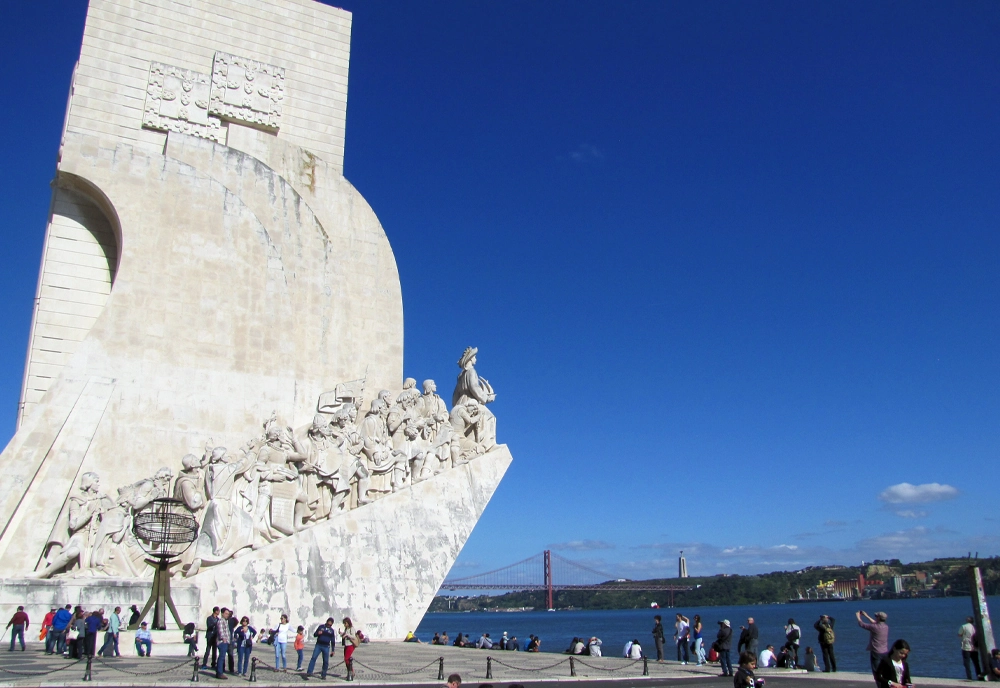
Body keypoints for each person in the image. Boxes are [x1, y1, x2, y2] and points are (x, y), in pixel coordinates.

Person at [858, 610, 890, 676]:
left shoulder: (874, 627)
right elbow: (875, 623)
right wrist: (866, 616)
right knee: (883, 670)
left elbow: (861, 624)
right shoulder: (886, 627)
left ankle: (879, 682)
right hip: (885, 651)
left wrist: (858, 616)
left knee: (876, 671)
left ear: (878, 618)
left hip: (876, 652)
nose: (875, 618)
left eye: (876, 617)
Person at [215, 608, 233, 680]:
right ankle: (219, 673)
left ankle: (220, 672)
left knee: (222, 657)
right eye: (226, 613)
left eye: (228, 614)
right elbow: (221, 631)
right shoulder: (221, 621)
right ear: (222, 614)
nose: (227, 615)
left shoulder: (225, 621)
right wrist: (224, 639)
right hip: (222, 642)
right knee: (221, 657)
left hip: (226, 641)